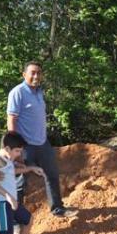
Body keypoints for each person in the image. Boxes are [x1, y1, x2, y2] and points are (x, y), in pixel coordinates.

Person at [7, 61, 76, 217]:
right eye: (32, 72)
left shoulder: (39, 92)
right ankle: (16, 219)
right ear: (24, 74)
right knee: (20, 182)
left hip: (42, 143)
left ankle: (57, 209)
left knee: (51, 175)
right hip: (25, 146)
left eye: (39, 73)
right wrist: (15, 147)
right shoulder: (17, 92)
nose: (36, 76)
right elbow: (11, 119)